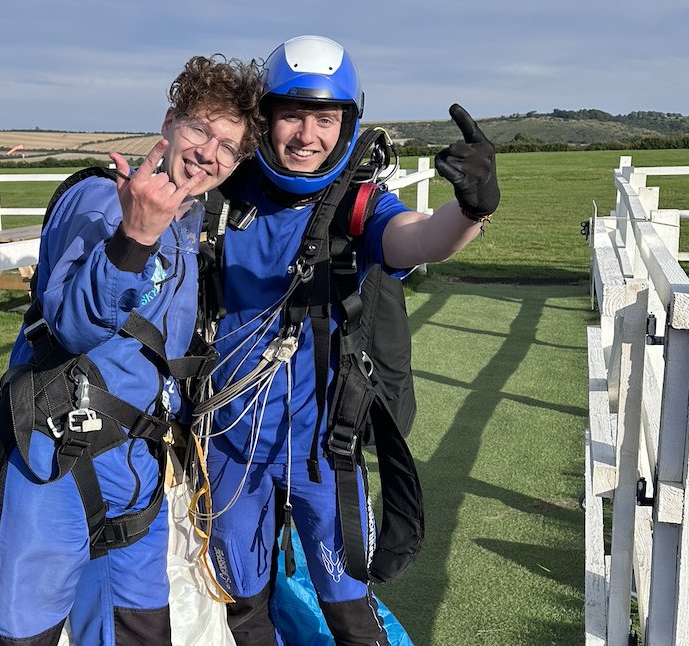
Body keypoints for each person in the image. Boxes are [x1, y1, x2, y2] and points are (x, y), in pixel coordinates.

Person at [193, 35, 499, 644]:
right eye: (292, 115)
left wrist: (469, 212)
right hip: (228, 450)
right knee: (244, 608)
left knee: (349, 611)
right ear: (266, 119)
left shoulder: (356, 206)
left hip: (320, 452)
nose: (308, 136)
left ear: (348, 122)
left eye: (326, 119)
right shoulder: (223, 196)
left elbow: (416, 238)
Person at [0, 54, 264, 646]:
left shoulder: (184, 229)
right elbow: (73, 326)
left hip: (136, 466)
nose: (210, 152)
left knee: (135, 629)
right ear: (169, 120)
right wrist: (133, 240)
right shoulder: (103, 202)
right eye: (201, 129)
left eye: (228, 146)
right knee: (19, 631)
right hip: (51, 459)